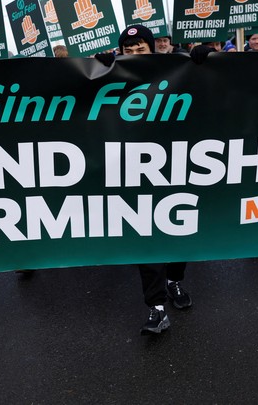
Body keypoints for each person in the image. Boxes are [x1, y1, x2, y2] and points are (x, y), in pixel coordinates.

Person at [103, 25, 194, 334]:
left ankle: (174, 281)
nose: (135, 55)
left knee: (179, 232)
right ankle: (156, 308)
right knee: (148, 239)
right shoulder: (112, 76)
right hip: (137, 173)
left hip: (177, 167)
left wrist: (207, 59)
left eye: (141, 49)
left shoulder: (177, 71)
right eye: (128, 51)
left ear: (152, 49)